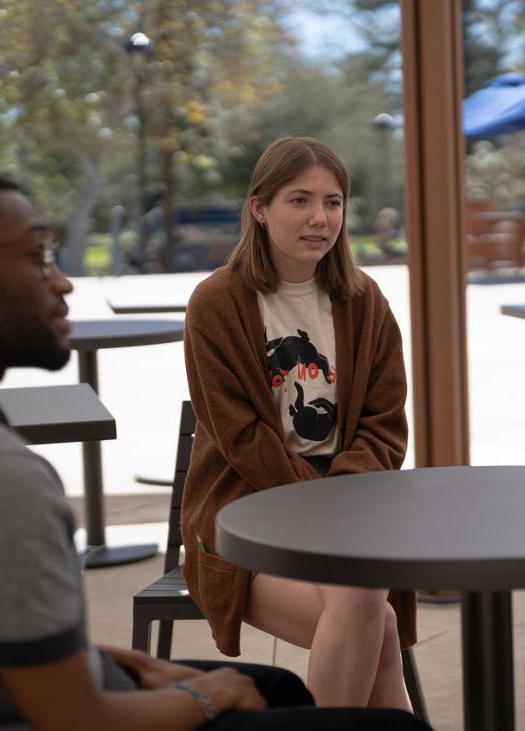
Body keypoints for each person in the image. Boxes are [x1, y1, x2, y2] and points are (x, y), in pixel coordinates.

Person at [0, 166, 429, 731]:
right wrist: (205, 696)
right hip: (238, 529)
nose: (65, 281)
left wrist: (104, 661)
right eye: (36, 257)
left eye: (333, 202)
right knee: (348, 678)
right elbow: (72, 716)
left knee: (332, 651)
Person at [182, 136, 417, 711]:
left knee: (370, 619)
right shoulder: (216, 302)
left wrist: (338, 502)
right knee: (369, 615)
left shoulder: (365, 301)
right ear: (259, 208)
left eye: (333, 202)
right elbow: (239, 437)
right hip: (244, 512)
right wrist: (316, 512)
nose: (319, 218)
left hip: (350, 505)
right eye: (300, 200)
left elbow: (385, 426)